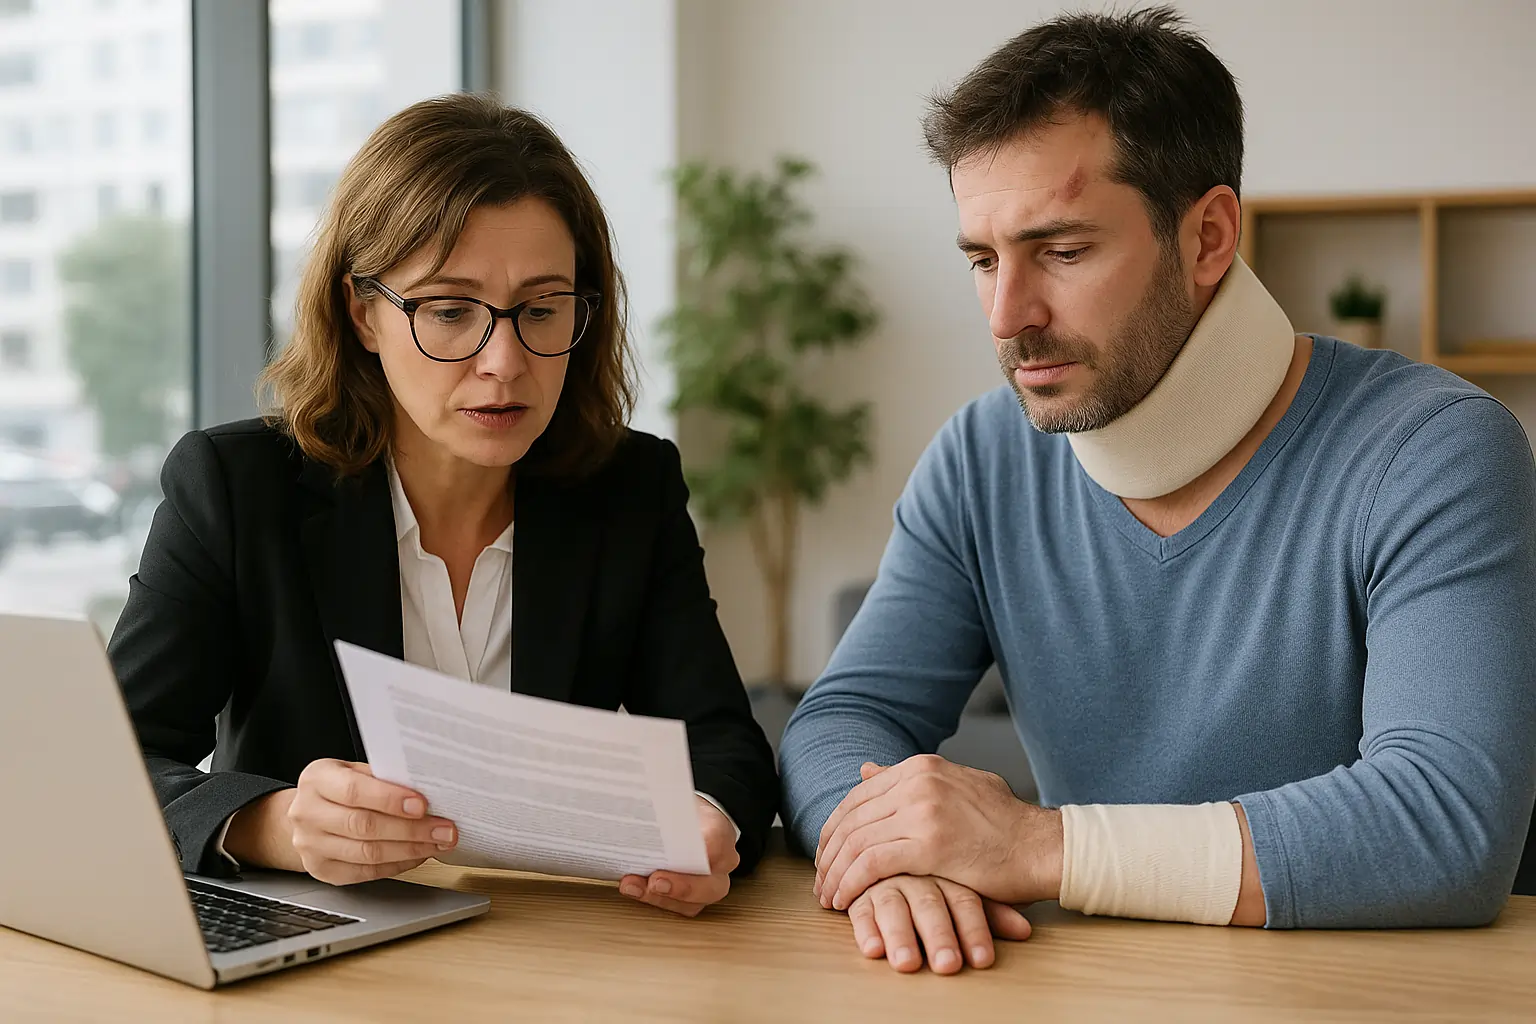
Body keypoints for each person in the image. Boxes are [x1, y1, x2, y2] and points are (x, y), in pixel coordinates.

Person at [780, 6, 1536, 974]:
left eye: (1061, 251)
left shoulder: (1435, 452)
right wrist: (889, 861)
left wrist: (1040, 847)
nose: (1008, 316)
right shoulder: (981, 461)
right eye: (981, 259)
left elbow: (1445, 823)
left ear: (1210, 236)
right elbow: (837, 723)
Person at [111, 93, 779, 919]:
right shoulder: (235, 487)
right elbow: (114, 761)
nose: (504, 362)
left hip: (555, 946)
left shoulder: (628, 488)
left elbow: (722, 745)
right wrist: (269, 824)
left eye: (541, 310)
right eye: (451, 311)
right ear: (364, 313)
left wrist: (707, 823)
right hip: (318, 955)